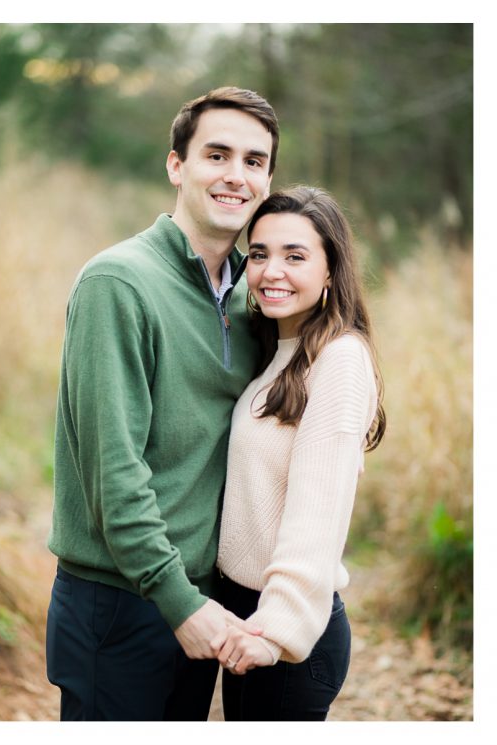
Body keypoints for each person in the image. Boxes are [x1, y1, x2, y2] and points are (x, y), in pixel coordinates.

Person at [46, 87, 278, 720]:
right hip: (121, 601)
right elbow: (114, 472)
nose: (236, 175)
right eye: (218, 155)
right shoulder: (118, 282)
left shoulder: (252, 300)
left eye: (254, 161)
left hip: (202, 600)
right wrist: (178, 600)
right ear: (177, 166)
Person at [212, 186, 385, 720]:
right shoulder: (278, 352)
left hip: (287, 635)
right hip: (246, 614)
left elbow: (318, 510)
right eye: (259, 254)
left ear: (331, 270)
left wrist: (277, 629)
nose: (271, 271)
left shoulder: (339, 361)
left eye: (295, 256)